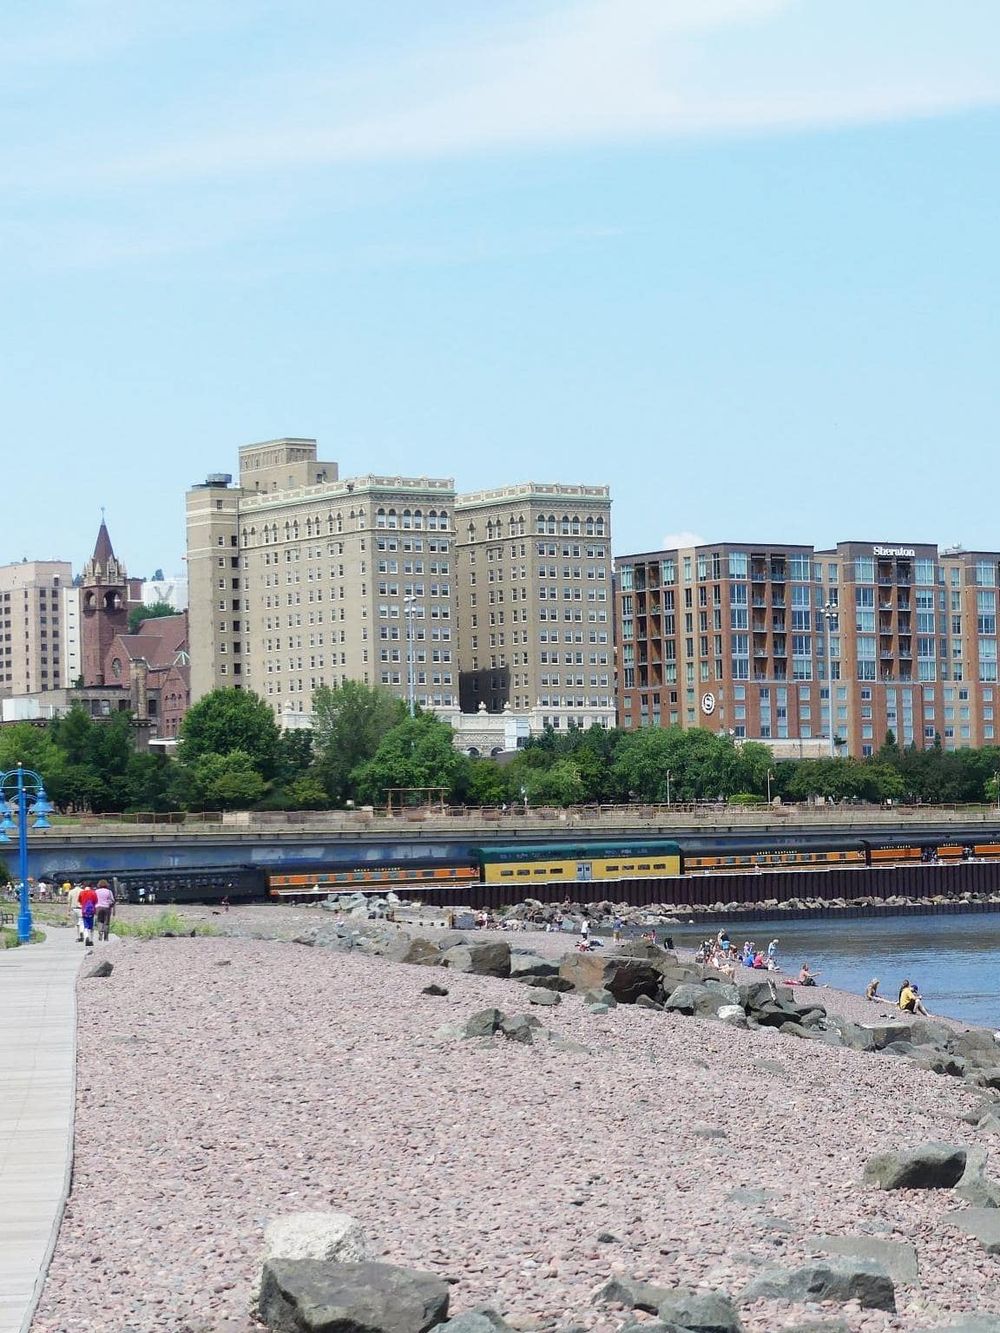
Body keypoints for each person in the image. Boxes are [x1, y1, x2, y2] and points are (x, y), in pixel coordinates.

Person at [78, 883, 98, 947]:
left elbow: (79, 901)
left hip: (84, 911)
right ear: (91, 887)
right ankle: (91, 940)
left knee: (85, 925)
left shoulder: (81, 893)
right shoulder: (93, 893)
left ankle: (86, 936)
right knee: (91, 927)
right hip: (92, 911)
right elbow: (96, 901)